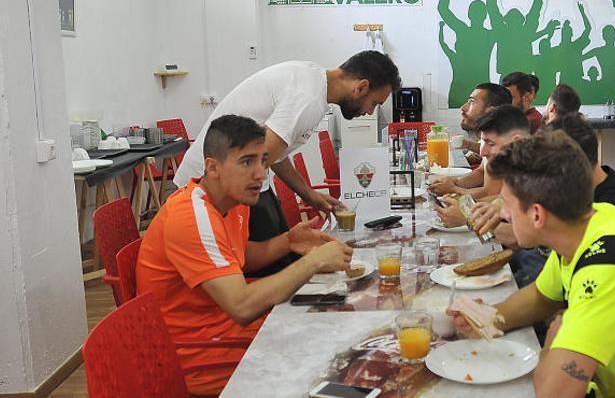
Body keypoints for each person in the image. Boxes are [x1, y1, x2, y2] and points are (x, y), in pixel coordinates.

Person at [451, 132, 615, 397]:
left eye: (507, 204)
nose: (503, 213)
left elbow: (555, 393)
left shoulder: (611, 265)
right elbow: (541, 297)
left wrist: (556, 337)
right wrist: (488, 318)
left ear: (537, 215)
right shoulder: (586, 225)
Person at [137, 115, 353, 395]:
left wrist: (288, 241)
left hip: (227, 332)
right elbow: (241, 306)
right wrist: (314, 261)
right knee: (337, 356)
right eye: (246, 162)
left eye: (263, 160)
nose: (260, 173)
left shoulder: (232, 200)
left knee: (338, 322)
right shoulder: (192, 217)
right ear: (212, 168)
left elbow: (241, 258)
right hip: (202, 357)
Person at [174, 51, 399, 276]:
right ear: (360, 87)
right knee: (275, 270)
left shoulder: (312, 80)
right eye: (374, 103)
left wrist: (310, 195)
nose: (370, 111)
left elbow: (274, 153)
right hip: (210, 187)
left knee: (286, 258)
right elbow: (261, 162)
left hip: (235, 181)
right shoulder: (308, 98)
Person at [470, 113, 615, 286]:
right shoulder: (581, 197)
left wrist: (473, 219)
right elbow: (545, 290)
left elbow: (522, 238)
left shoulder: (607, 211)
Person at [433, 105, 530, 226]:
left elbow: (519, 239)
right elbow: (500, 201)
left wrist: (469, 218)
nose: (482, 152)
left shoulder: (536, 175)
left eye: (490, 143)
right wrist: (463, 204)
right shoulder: (514, 166)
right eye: (483, 141)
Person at [439, 81, 511, 170]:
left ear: (491, 112)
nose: (463, 107)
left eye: (472, 102)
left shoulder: (506, 142)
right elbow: (480, 173)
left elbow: (489, 182)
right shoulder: (487, 135)